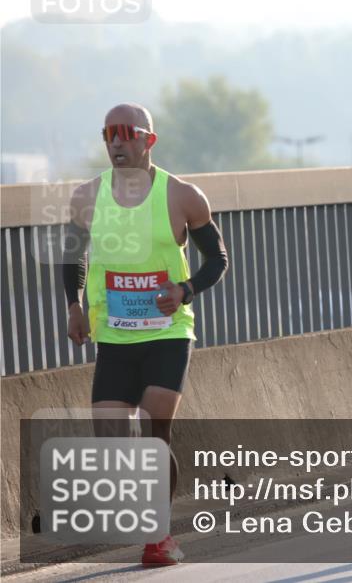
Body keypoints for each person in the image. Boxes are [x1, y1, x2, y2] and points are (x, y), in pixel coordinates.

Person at [62, 103, 229, 566]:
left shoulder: (182, 196)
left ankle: (159, 538)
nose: (116, 142)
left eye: (125, 133)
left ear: (148, 140)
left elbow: (217, 259)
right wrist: (74, 306)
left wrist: (185, 288)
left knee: (156, 433)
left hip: (168, 334)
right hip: (114, 337)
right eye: (108, 135)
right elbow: (72, 256)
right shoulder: (87, 197)